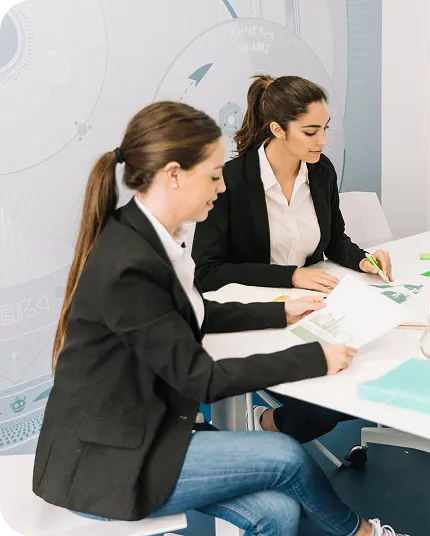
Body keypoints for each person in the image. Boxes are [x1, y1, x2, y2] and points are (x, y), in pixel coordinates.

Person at [33, 101, 406, 536]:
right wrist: (313, 358)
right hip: (105, 463)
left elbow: (188, 312)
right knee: (284, 456)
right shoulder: (130, 264)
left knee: (277, 514)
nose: (222, 187)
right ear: (173, 175)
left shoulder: (150, 236)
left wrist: (278, 311)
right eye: (213, 177)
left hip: (152, 428)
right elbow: (202, 380)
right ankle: (363, 533)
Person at [192, 74, 389, 441]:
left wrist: (362, 259)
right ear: (278, 130)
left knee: (370, 373)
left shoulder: (321, 170)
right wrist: (291, 276)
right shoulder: (231, 181)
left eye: (325, 128)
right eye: (311, 131)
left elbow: (335, 240)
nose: (324, 141)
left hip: (314, 310)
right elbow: (207, 272)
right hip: (258, 317)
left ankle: (271, 425)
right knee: (323, 406)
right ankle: (269, 425)